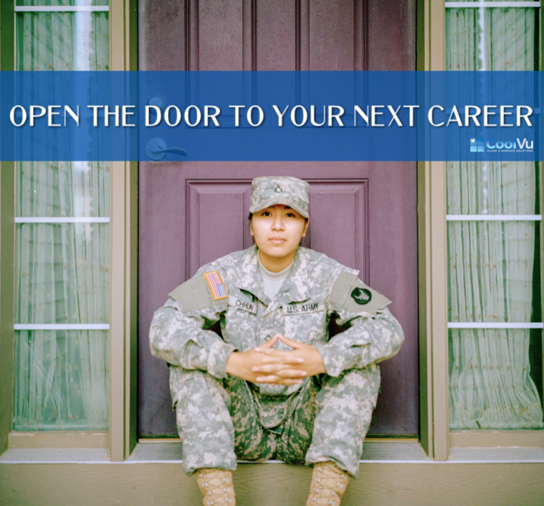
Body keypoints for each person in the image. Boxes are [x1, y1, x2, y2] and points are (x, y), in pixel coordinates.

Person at [149, 176, 404, 506]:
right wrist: (233, 361)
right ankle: (219, 500)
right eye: (266, 215)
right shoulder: (224, 274)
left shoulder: (327, 274)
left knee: (360, 370)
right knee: (189, 369)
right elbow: (163, 326)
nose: (278, 226)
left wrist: (322, 358)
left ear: (305, 225)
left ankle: (324, 499)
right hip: (241, 423)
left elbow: (388, 328)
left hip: (307, 425)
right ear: (251, 225)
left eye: (290, 215)